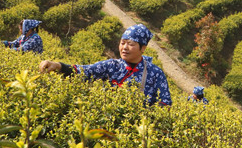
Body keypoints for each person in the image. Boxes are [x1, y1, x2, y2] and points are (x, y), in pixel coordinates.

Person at [39, 24, 172, 106]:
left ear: (143, 48)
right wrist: (58, 66)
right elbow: (84, 71)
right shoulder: (112, 65)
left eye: (130, 44)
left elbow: (165, 102)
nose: (124, 47)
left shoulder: (155, 73)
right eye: (122, 42)